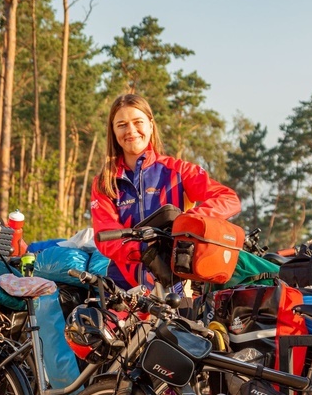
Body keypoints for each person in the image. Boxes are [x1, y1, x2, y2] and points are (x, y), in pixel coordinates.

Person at [91, 93, 241, 291]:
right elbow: (106, 236)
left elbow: (228, 199)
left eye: (138, 122)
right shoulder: (104, 182)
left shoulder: (178, 170)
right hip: (124, 288)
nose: (131, 131)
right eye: (122, 125)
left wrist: (187, 223)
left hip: (175, 286)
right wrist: (145, 250)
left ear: (151, 125)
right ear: (113, 130)